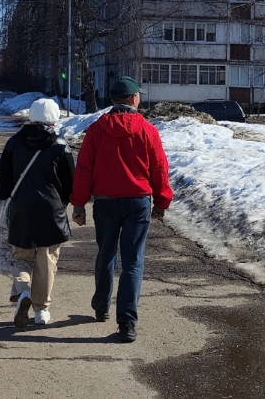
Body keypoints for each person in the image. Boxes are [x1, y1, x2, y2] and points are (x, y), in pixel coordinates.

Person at [71, 76, 172, 344]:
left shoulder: (96, 130)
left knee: (105, 253)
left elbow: (84, 168)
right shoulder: (147, 130)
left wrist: (79, 203)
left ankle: (102, 306)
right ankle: (127, 322)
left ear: (113, 100)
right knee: (133, 261)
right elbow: (159, 168)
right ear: (133, 99)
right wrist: (162, 202)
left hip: (105, 202)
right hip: (138, 201)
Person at [0, 98, 74, 328]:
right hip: (51, 211)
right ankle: (42, 310)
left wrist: (9, 196)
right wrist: (63, 202)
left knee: (21, 257)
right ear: (54, 119)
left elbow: (3, 172)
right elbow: (71, 180)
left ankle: (22, 292)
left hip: (22, 209)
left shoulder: (14, 142)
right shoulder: (60, 144)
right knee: (46, 261)